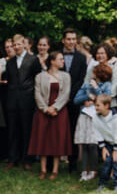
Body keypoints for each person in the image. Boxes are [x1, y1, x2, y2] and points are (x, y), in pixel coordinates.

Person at [28, 51, 72, 180]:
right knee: (43, 138)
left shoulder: (66, 76)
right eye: (60, 59)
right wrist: (45, 108)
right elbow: (37, 94)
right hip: (43, 112)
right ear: (52, 61)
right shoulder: (40, 76)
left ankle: (55, 170)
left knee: (57, 139)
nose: (63, 61)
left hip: (60, 112)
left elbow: (66, 94)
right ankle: (43, 169)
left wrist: (55, 107)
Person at [73, 62, 114, 181]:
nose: (92, 74)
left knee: (93, 144)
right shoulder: (86, 84)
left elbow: (106, 99)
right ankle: (84, 171)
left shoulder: (106, 85)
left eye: (94, 72)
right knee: (84, 143)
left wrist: (96, 90)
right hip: (85, 115)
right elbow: (76, 99)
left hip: (97, 117)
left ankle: (94, 170)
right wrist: (87, 98)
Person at [5, 34, 39, 169]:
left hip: (27, 100)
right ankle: (13, 158)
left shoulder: (33, 60)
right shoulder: (10, 62)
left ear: (24, 44)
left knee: (27, 130)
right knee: (12, 130)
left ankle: (27, 160)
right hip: (12, 100)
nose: (16, 47)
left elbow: (37, 78)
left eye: (19, 44)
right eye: (14, 45)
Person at [94, 94, 117, 191]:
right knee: (107, 161)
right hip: (109, 141)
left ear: (106, 106)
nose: (95, 107)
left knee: (116, 161)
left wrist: (116, 150)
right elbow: (97, 132)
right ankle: (102, 183)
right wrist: (103, 148)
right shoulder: (95, 117)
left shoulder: (116, 117)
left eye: (98, 105)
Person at [61, 28, 87, 167]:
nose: (71, 42)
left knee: (72, 130)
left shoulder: (82, 58)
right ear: (63, 40)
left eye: (73, 39)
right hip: (57, 98)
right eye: (68, 39)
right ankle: (50, 162)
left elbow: (81, 79)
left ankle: (73, 162)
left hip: (74, 98)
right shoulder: (56, 56)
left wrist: (70, 95)